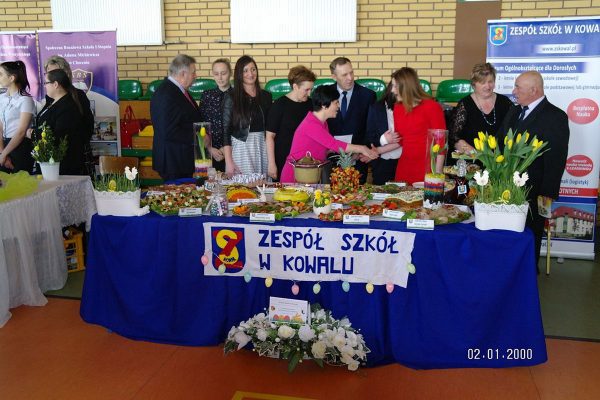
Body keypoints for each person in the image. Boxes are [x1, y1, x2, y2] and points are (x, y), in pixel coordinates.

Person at [498, 71, 570, 270]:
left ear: (534, 90)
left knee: (532, 233)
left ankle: (529, 273)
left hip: (535, 190)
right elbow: (500, 141)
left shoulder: (556, 117)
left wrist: (547, 194)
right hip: (507, 187)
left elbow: (556, 159)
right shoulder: (514, 111)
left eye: (518, 87)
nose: (514, 91)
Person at [280, 85, 378, 183]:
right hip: (295, 177)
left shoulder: (323, 123)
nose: (339, 106)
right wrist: (362, 148)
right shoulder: (311, 124)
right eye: (336, 103)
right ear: (324, 105)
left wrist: (354, 154)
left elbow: (327, 148)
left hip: (309, 175)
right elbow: (334, 144)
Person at [325, 57, 376, 183]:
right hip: (330, 158)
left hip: (358, 159)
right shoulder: (325, 94)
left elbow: (371, 128)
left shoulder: (368, 95)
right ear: (334, 77)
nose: (350, 78)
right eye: (344, 75)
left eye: (351, 72)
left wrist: (359, 151)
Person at [151, 54, 201, 181]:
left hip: (179, 159)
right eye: (193, 72)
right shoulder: (167, 94)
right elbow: (168, 131)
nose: (195, 76)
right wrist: (197, 137)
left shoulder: (177, 90)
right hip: (172, 162)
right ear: (183, 74)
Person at [392, 67, 446, 184]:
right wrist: (377, 150)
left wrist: (437, 175)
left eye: (395, 86)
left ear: (406, 87)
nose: (392, 90)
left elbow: (441, 144)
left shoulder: (432, 107)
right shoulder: (397, 108)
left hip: (427, 168)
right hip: (405, 167)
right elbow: (400, 140)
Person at [44, 55, 95, 176]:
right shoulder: (49, 98)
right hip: (53, 156)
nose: (51, 76)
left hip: (74, 155)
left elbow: (88, 125)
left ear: (65, 73)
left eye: (55, 72)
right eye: (49, 72)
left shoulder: (78, 95)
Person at [222, 55, 272, 176]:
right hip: (241, 147)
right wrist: (228, 161)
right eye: (245, 70)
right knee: (243, 185)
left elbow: (270, 128)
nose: (250, 74)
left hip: (262, 146)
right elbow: (226, 131)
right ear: (239, 74)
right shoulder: (231, 97)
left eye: (253, 69)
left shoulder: (266, 96)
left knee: (262, 184)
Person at [449, 63, 514, 154]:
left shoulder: (505, 102)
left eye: (490, 82)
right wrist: (475, 154)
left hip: (501, 159)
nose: (488, 86)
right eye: (483, 83)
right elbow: (454, 137)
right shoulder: (465, 104)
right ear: (474, 84)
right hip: (472, 158)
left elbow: (515, 130)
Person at [266, 65, 315, 181]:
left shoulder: (311, 104)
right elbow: (269, 136)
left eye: (311, 89)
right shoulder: (279, 105)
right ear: (295, 86)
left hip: (306, 161)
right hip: (283, 160)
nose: (309, 94)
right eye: (306, 90)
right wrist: (271, 164)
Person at [36, 69, 86, 175]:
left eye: (46, 83)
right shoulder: (52, 102)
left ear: (55, 84)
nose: (44, 86)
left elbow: (59, 135)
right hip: (49, 160)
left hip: (63, 163)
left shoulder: (67, 106)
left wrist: (33, 133)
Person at [0, 61, 35, 173]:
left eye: (1, 74)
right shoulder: (2, 98)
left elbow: (21, 131)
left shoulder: (25, 99)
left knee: (20, 181)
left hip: (20, 147)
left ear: (12, 78)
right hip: (3, 146)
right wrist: (2, 153)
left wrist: (4, 154)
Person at [199, 58, 233, 172]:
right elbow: (201, 125)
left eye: (223, 73)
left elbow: (241, 127)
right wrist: (209, 148)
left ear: (230, 73)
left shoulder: (238, 96)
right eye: (216, 74)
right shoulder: (206, 96)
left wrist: (227, 149)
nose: (220, 77)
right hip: (211, 151)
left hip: (233, 151)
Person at [366, 79, 402, 185]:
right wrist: (384, 139)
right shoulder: (376, 108)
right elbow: (369, 137)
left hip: (405, 160)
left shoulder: (409, 109)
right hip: (383, 162)